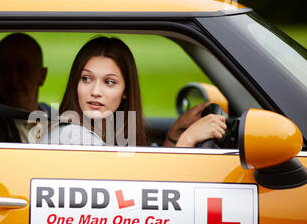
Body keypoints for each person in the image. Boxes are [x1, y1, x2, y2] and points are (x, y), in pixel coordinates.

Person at [39, 36, 226, 147]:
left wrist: (172, 137)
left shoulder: (101, 132)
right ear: (75, 84)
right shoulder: (73, 137)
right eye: (86, 79)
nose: (95, 91)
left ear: (125, 91)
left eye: (109, 82)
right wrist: (189, 138)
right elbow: (137, 195)